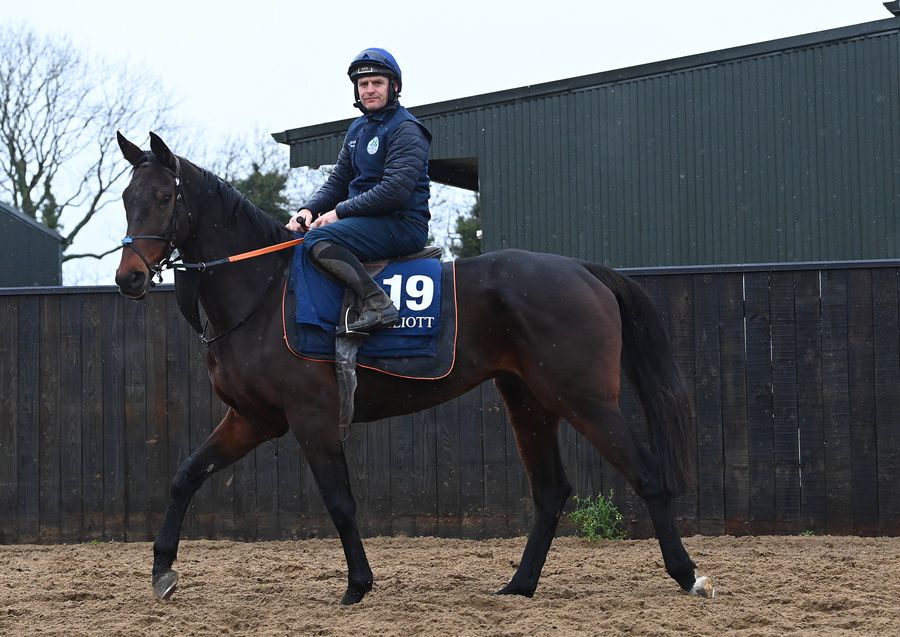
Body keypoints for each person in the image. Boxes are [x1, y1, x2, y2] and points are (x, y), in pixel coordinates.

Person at [286, 48, 432, 335]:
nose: (369, 90)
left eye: (377, 83)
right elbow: (338, 181)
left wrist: (339, 212)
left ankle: (378, 304)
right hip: (366, 221)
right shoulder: (357, 129)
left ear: (394, 87)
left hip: (402, 224)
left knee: (318, 238)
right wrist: (307, 209)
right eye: (363, 85)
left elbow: (394, 192)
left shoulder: (406, 129)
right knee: (297, 237)